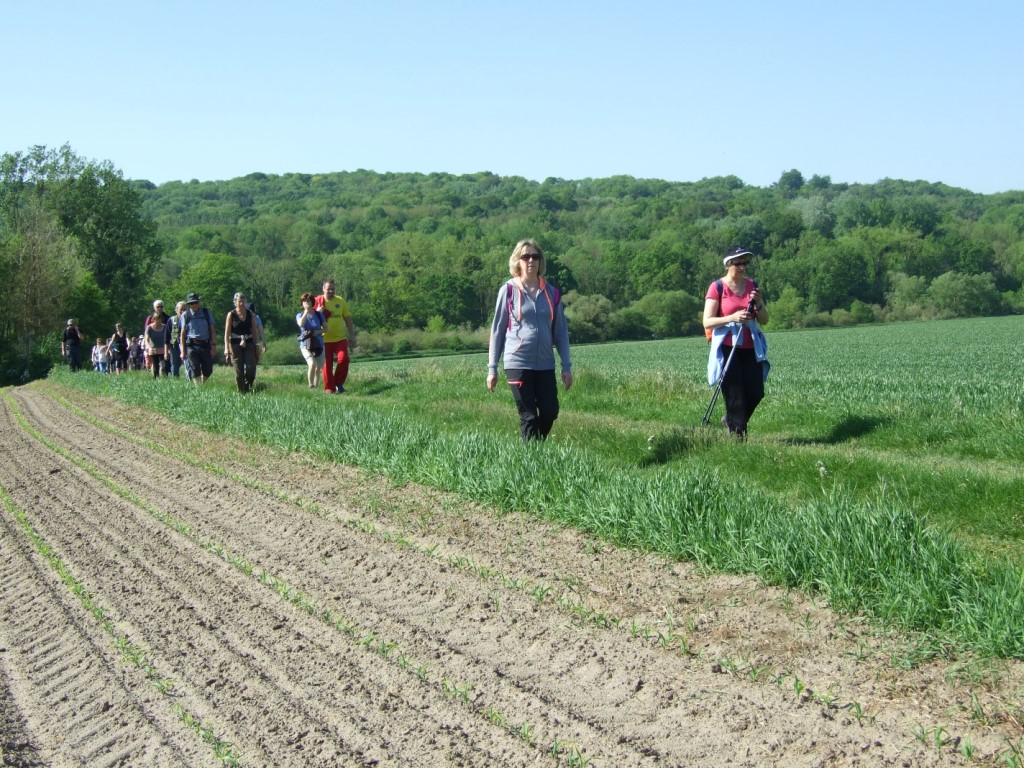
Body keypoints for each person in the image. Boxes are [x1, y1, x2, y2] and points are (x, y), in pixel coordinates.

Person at [487, 239, 573, 441]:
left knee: (550, 411)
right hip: (517, 362)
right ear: (517, 261)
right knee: (529, 416)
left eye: (535, 256)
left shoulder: (552, 293)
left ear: (541, 261)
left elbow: (560, 332)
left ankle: (534, 450)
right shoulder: (507, 291)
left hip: (545, 363)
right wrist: (492, 368)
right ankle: (530, 460)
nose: (531, 260)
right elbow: (497, 331)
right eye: (525, 256)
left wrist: (566, 366)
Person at [703, 245, 770, 439]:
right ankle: (738, 439)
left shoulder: (752, 286)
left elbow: (764, 319)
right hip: (727, 347)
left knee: (756, 392)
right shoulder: (717, 287)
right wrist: (731, 317)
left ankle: (730, 420)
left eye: (745, 263)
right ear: (728, 264)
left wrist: (759, 304)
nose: (743, 267)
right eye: (738, 263)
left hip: (750, 347)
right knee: (735, 396)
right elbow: (707, 321)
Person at [314, 279, 356, 393]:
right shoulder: (317, 301)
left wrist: (352, 335)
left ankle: (338, 383)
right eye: (328, 289)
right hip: (323, 340)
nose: (331, 291)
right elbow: (308, 318)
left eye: (333, 289)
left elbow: (348, 318)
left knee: (344, 359)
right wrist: (318, 312)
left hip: (340, 339)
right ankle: (329, 389)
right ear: (323, 289)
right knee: (326, 366)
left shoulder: (341, 301)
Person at [224, 292, 257, 393]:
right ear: (235, 302)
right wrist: (226, 348)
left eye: (243, 301)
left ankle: (248, 385)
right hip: (235, 343)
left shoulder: (250, 314)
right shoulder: (231, 314)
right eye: (239, 302)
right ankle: (241, 391)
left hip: (249, 342)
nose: (241, 304)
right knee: (239, 369)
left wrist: (257, 345)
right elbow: (227, 333)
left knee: (251, 366)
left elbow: (255, 331)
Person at [179, 292, 215, 384]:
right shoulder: (185, 315)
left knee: (208, 369)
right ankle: (198, 388)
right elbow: (182, 334)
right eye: (191, 303)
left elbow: (212, 329)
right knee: (195, 368)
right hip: (191, 345)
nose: (194, 305)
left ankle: (201, 383)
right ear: (189, 305)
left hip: (205, 344)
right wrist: (182, 351)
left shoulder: (206, 313)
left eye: (195, 302)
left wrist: (213, 345)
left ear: (198, 302)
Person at [296, 292, 326, 389]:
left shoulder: (319, 315)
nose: (306, 303)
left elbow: (326, 328)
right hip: (305, 344)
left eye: (308, 300)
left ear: (312, 302)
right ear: (302, 303)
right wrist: (306, 312)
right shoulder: (299, 315)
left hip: (318, 344)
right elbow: (300, 324)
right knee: (312, 364)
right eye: (304, 301)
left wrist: (317, 332)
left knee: (318, 367)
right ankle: (311, 385)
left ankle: (316, 387)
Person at [144, 299, 171, 375]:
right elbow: (147, 332)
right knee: (155, 365)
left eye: (161, 306)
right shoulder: (150, 318)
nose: (160, 308)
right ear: (154, 308)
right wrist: (148, 346)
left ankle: (165, 377)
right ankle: (156, 377)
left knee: (164, 365)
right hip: (153, 346)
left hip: (164, 346)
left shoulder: (167, 318)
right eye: (158, 306)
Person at [167, 301, 186, 377]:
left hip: (186, 344)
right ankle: (175, 380)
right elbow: (167, 336)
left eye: (184, 309)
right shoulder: (171, 320)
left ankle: (188, 380)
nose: (182, 311)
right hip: (174, 345)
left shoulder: (189, 319)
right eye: (181, 309)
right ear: (176, 310)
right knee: (174, 364)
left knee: (187, 364)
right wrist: (166, 349)